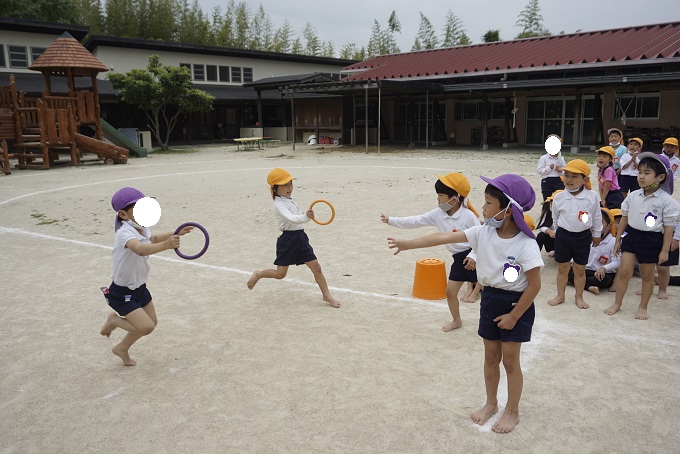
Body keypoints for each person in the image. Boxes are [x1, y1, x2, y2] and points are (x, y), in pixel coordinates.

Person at [387, 174, 543, 434]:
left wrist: (515, 316)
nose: (482, 208)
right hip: (491, 299)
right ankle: (491, 403)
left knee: (511, 362)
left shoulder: (526, 244)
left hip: (516, 303)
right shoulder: (483, 231)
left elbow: (535, 286)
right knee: (491, 357)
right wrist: (407, 244)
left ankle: (512, 411)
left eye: (488, 203)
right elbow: (441, 238)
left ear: (508, 210)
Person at [99, 187, 194, 366]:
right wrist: (167, 245)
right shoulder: (124, 233)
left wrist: (176, 232)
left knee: (152, 322)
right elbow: (140, 249)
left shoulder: (141, 228)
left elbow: (154, 239)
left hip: (140, 287)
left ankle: (122, 348)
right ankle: (114, 320)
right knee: (146, 327)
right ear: (123, 214)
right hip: (122, 292)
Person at [381, 172, 481, 331]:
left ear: (454, 199)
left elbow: (481, 240)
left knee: (491, 292)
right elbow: (416, 220)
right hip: (458, 259)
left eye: (441, 195)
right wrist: (392, 220)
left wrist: (473, 256)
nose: (438, 199)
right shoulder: (438, 214)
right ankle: (457, 320)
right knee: (450, 292)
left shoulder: (469, 216)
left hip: (476, 256)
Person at [247, 168, 341, 308]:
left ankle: (326, 295)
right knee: (280, 274)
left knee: (317, 268)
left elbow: (299, 219)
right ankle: (259, 274)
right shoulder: (279, 205)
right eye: (285, 185)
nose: (289, 187)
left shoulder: (289, 200)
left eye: (290, 183)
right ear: (275, 188)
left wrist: (306, 217)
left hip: (301, 238)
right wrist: (305, 217)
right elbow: (292, 219)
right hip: (288, 241)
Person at [604, 153, 679, 319]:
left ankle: (643, 307)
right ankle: (617, 303)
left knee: (647, 276)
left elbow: (668, 228)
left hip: (651, 240)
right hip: (631, 236)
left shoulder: (667, 201)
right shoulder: (633, 195)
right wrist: (617, 240)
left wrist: (665, 250)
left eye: (646, 173)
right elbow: (624, 218)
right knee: (624, 273)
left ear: (660, 177)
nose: (641, 177)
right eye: (640, 172)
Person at [546, 159, 602, 309]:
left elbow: (596, 216)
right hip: (563, 236)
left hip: (583, 237)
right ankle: (560, 295)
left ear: (585, 179)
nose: (569, 179)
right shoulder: (558, 197)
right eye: (566, 175)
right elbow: (555, 217)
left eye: (574, 176)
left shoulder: (591, 196)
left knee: (579, 269)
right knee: (563, 268)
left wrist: (597, 234)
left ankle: (579, 296)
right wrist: (559, 232)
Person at [567, 207, 619, 295]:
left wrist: (604, 268)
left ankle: (581, 283)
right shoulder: (585, 238)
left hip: (602, 274)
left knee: (604, 280)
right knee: (567, 272)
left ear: (609, 226)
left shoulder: (613, 241)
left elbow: (617, 262)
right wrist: (570, 262)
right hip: (585, 269)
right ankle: (589, 287)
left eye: (600, 223)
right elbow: (577, 254)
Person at [536, 134, 565, 201]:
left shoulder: (561, 159)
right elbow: (539, 170)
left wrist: (560, 170)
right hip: (547, 181)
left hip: (558, 180)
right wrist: (549, 168)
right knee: (547, 200)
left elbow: (565, 171)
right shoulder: (544, 158)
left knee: (559, 200)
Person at [535, 192, 559, 258]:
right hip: (553, 240)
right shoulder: (548, 212)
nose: (551, 205)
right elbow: (541, 226)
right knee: (541, 235)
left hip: (564, 242)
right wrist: (549, 231)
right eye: (551, 202)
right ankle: (534, 256)